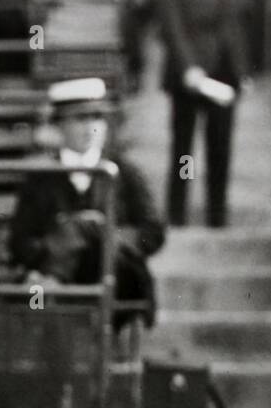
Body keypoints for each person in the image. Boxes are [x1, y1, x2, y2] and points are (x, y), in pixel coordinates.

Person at [9, 77, 165, 329]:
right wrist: (60, 242)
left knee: (86, 229)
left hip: (117, 283)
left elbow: (153, 231)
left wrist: (104, 234)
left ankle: (54, 277)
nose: (91, 128)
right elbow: (20, 243)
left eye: (97, 118)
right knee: (78, 229)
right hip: (64, 298)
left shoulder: (124, 172)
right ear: (59, 125)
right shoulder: (40, 180)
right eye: (80, 119)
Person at [152, 0, 251, 228]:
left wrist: (241, 69)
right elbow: (171, 20)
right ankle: (177, 211)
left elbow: (232, 21)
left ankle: (216, 212)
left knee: (221, 142)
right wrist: (187, 66)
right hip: (189, 66)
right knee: (184, 147)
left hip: (223, 66)